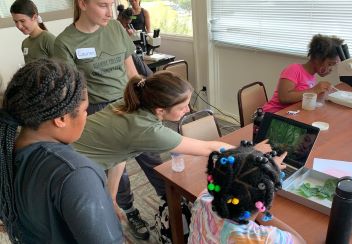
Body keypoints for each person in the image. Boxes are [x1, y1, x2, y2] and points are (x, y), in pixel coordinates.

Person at [73, 71, 272, 242]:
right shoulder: (148, 131)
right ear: (160, 110)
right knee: (99, 231)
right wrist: (255, 156)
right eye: (182, 106)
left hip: (72, 155)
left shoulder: (133, 103)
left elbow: (120, 153)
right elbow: (209, 147)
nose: (188, 110)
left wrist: (111, 198)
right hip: (73, 168)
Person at [54, 0, 152, 239]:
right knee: (118, 168)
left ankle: (173, 203)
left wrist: (150, 97)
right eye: (102, 5)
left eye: (112, 4)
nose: (110, 12)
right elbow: (76, 93)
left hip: (129, 99)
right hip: (98, 108)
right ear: (83, 4)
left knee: (153, 155)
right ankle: (128, 209)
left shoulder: (116, 28)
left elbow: (132, 72)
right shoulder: (65, 43)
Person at [0, 59, 123, 243]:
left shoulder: (8, 149)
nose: (86, 116)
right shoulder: (76, 174)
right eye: (84, 110)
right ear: (61, 119)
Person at [188, 143, 306, 243]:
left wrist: (253, 163)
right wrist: (260, 207)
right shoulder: (260, 238)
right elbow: (300, 241)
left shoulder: (203, 200)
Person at [262, 34, 344, 113]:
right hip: (273, 114)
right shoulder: (294, 69)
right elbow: (284, 97)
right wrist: (314, 90)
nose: (331, 69)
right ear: (317, 59)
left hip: (290, 114)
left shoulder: (311, 77)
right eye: (330, 64)